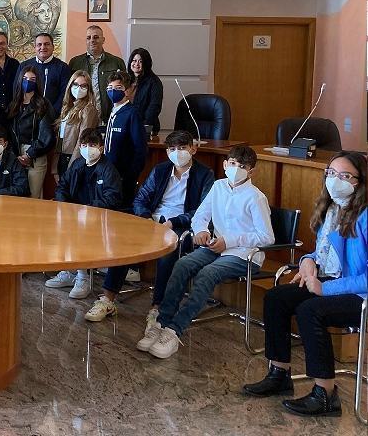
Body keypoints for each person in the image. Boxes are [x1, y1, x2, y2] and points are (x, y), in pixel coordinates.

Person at [241, 152, 367, 418]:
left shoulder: (365, 215)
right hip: (331, 281)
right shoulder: (332, 208)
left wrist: (325, 289)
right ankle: (279, 373)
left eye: (345, 176)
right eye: (331, 174)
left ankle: (325, 395)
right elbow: (322, 253)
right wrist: (308, 261)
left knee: (312, 309)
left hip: (359, 293)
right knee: (277, 298)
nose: (335, 180)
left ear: (360, 181)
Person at [141, 145, 275, 360]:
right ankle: (161, 322)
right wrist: (201, 231)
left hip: (243, 255)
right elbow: (200, 216)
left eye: (242, 166)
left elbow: (267, 236)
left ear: (252, 172)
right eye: (232, 164)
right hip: (216, 247)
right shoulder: (218, 186)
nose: (236, 169)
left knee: (207, 274)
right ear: (225, 165)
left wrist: (229, 240)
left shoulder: (255, 197)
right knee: (182, 264)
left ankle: (174, 330)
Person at [84, 130, 214, 323]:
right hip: (153, 221)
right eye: (172, 149)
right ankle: (107, 299)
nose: (177, 153)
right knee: (123, 242)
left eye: (182, 148)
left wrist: (174, 222)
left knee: (168, 249)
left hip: (182, 226)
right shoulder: (160, 170)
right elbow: (140, 199)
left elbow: (203, 210)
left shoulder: (205, 175)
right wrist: (145, 217)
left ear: (193, 149)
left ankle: (157, 307)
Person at [48, 128, 122, 299]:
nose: (88, 148)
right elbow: (63, 187)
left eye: (92, 145)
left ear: (101, 148)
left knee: (81, 232)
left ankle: (83, 277)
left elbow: (112, 199)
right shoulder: (77, 164)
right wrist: (63, 205)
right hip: (73, 212)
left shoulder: (108, 169)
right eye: (84, 145)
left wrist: (86, 209)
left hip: (97, 216)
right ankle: (69, 271)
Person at [6, 66, 56, 200]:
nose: (28, 82)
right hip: (16, 154)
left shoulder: (43, 104)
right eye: (25, 79)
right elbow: (9, 132)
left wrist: (29, 154)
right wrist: (15, 154)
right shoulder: (14, 105)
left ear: (38, 82)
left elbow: (47, 136)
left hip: (36, 155)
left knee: (33, 196)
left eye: (32, 79)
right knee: (17, 196)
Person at [103, 70, 148, 207]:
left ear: (127, 91)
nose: (113, 91)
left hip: (124, 175)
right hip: (109, 171)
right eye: (110, 88)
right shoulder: (112, 112)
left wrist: (131, 175)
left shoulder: (132, 113)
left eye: (118, 88)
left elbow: (140, 148)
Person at [68, 25, 126, 124]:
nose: (92, 40)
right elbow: (69, 92)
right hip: (82, 117)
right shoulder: (75, 63)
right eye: (88, 38)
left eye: (96, 37)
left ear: (103, 40)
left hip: (108, 117)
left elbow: (124, 90)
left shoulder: (116, 62)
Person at [54, 70, 99, 178]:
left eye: (84, 86)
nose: (79, 88)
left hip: (73, 158)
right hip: (62, 156)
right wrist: (54, 166)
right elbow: (60, 137)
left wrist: (72, 168)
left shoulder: (88, 109)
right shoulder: (68, 107)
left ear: (88, 89)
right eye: (75, 84)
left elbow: (82, 140)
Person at [15, 33, 71, 116]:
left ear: (53, 47)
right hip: (27, 115)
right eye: (39, 45)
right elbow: (17, 89)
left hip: (52, 116)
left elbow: (65, 93)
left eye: (47, 44)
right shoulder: (24, 66)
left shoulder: (62, 67)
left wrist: (52, 113)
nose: (43, 47)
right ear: (35, 48)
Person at [127, 47, 164, 137]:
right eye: (134, 60)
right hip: (127, 126)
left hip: (145, 129)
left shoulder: (154, 82)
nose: (136, 64)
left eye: (140, 61)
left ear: (146, 63)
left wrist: (141, 127)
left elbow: (154, 108)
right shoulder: (126, 80)